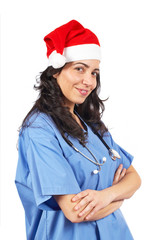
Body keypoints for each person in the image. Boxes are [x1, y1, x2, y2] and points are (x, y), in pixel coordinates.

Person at [15, 20, 141, 240]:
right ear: (55, 72)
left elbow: (134, 178)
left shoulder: (91, 124)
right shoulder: (39, 130)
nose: (89, 81)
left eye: (94, 72)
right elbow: (75, 212)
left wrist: (104, 197)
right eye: (79, 69)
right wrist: (119, 198)